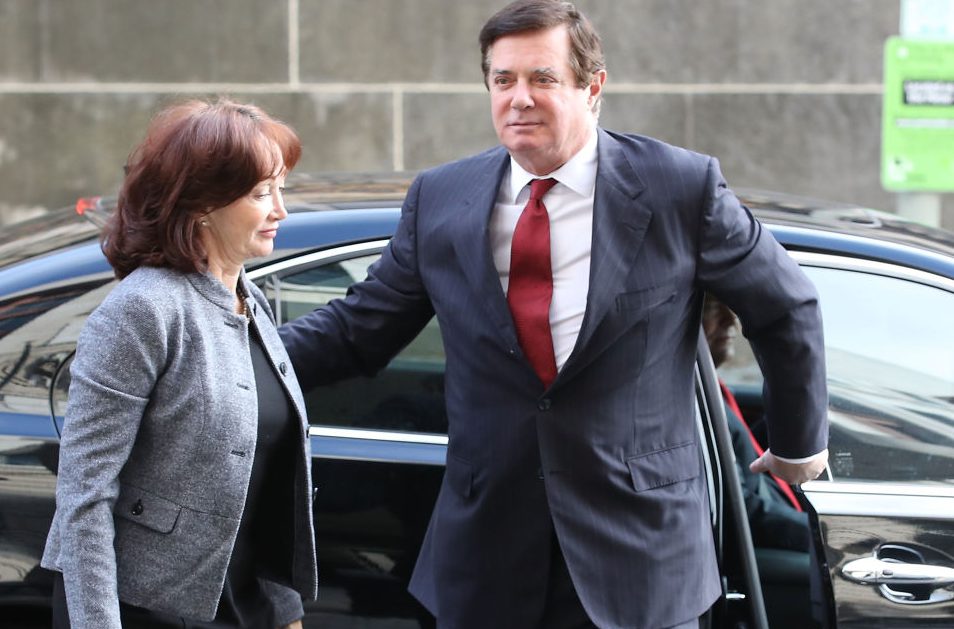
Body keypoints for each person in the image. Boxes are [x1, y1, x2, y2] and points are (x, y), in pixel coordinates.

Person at [281, 1, 829, 627]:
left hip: (640, 560)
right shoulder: (441, 198)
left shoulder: (679, 187)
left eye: (542, 78)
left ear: (592, 88)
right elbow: (358, 328)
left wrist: (797, 444)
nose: (519, 98)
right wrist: (229, 354)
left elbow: (785, 304)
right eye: (503, 79)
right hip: (487, 561)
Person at [41, 99, 318, 629]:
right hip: (145, 608)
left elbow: (264, 483)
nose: (281, 210)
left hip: (242, 600)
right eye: (262, 193)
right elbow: (84, 496)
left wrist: (285, 611)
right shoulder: (142, 310)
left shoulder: (249, 299)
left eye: (281, 189)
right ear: (202, 203)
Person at [702, 295, 810, 553]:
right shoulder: (694, 399)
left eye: (730, 307)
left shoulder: (710, 388)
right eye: (713, 308)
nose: (731, 320)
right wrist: (821, 532)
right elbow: (741, 510)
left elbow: (740, 448)